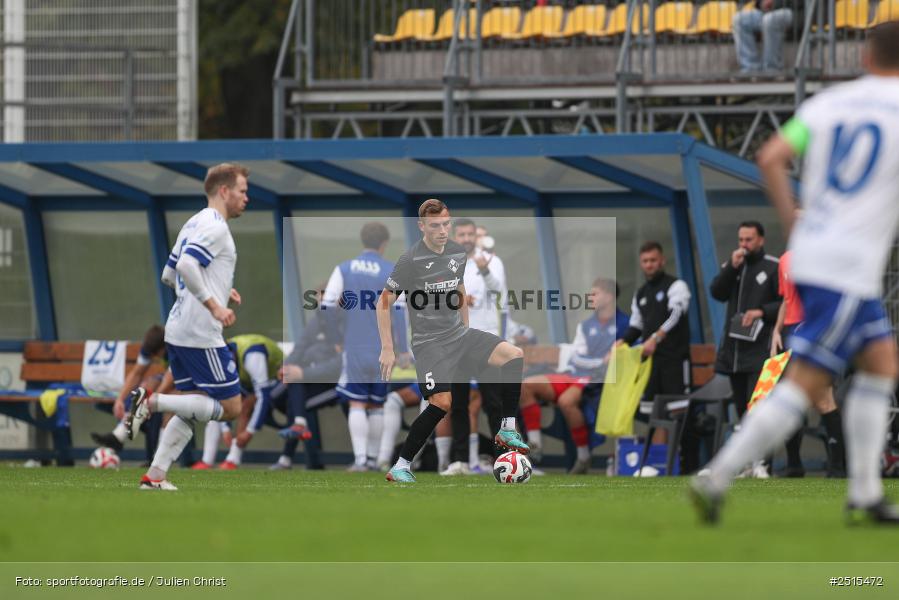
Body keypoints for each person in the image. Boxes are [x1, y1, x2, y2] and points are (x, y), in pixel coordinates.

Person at [691, 22, 899, 525]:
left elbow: (771, 157)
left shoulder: (827, 105)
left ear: (865, 57)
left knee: (880, 364)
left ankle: (865, 493)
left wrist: (795, 224)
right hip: (846, 266)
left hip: (817, 256)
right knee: (805, 382)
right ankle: (716, 476)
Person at [379, 198, 529, 483]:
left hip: (459, 336)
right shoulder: (410, 261)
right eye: (435, 225)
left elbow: (459, 290)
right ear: (421, 226)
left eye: (446, 224)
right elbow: (383, 302)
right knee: (442, 403)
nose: (442, 231)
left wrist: (466, 332)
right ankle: (401, 466)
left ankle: (507, 428)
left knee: (513, 354)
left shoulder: (457, 253)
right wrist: (388, 348)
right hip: (430, 344)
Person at [126, 163, 249, 491]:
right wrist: (214, 305)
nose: (246, 198)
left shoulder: (194, 222)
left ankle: (154, 477)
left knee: (195, 404)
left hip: (178, 328)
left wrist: (219, 287)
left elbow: (169, 275)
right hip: (200, 332)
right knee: (231, 407)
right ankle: (152, 403)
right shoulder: (216, 227)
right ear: (224, 191)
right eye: (242, 191)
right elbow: (186, 265)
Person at [322, 222, 410, 471]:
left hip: (355, 346)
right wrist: (403, 349)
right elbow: (400, 312)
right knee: (378, 403)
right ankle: (372, 458)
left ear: (363, 240)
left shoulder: (344, 268)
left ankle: (361, 459)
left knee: (357, 403)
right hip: (383, 348)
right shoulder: (392, 271)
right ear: (384, 244)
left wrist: (336, 339)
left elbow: (326, 306)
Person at [520, 277, 628, 474]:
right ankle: (535, 446)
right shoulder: (585, 325)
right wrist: (600, 361)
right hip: (574, 375)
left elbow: (628, 356)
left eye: (595, 294)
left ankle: (583, 456)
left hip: (598, 380)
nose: (590, 298)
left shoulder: (625, 324)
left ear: (609, 296)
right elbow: (577, 357)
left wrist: (608, 362)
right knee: (525, 384)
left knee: (566, 401)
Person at [771, 225, 846, 478]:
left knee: (823, 399)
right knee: (787, 398)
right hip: (789, 333)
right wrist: (776, 330)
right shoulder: (785, 259)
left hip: (814, 333)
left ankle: (838, 467)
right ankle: (794, 464)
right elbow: (786, 300)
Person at [619, 241, 698, 473]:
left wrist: (655, 338)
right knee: (654, 414)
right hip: (651, 365)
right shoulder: (641, 294)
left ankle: (689, 466)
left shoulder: (676, 286)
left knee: (680, 413)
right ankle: (660, 465)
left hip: (675, 361)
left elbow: (676, 315)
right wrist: (621, 342)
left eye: (653, 260)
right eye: (645, 261)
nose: (649, 265)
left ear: (662, 261)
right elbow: (636, 325)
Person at [441, 217, 508, 476]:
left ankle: (503, 458)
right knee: (458, 403)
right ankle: (460, 461)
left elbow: (499, 291)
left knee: (494, 403)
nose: (466, 239)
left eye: (470, 234)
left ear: (476, 236)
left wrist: (485, 271)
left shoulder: (491, 260)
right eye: (462, 234)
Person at [710, 221, 782, 419]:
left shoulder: (773, 267)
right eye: (741, 240)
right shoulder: (734, 266)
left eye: (749, 240)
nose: (744, 245)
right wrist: (731, 268)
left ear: (761, 240)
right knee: (742, 411)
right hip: (737, 355)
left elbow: (787, 304)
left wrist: (761, 312)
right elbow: (717, 293)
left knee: (761, 411)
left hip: (766, 353)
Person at [192, 334, 283, 470]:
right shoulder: (220, 359)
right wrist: (226, 429)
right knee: (215, 410)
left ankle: (233, 459)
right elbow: (221, 394)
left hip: (281, 380)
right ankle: (207, 461)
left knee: (245, 405)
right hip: (250, 383)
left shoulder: (253, 355)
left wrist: (250, 432)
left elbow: (263, 396)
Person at [90, 325, 168, 458]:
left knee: (161, 401)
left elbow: (172, 379)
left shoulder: (174, 348)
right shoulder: (150, 348)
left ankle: (160, 457)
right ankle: (119, 436)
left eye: (155, 354)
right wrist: (120, 399)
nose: (154, 357)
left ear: (163, 347)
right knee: (145, 386)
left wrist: (151, 399)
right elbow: (137, 373)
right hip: (170, 382)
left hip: (191, 384)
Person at [733, 0, 795, 74]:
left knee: (770, 20)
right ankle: (750, 68)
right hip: (767, 12)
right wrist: (761, 3)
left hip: (792, 11)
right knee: (739, 19)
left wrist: (774, 2)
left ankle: (772, 69)